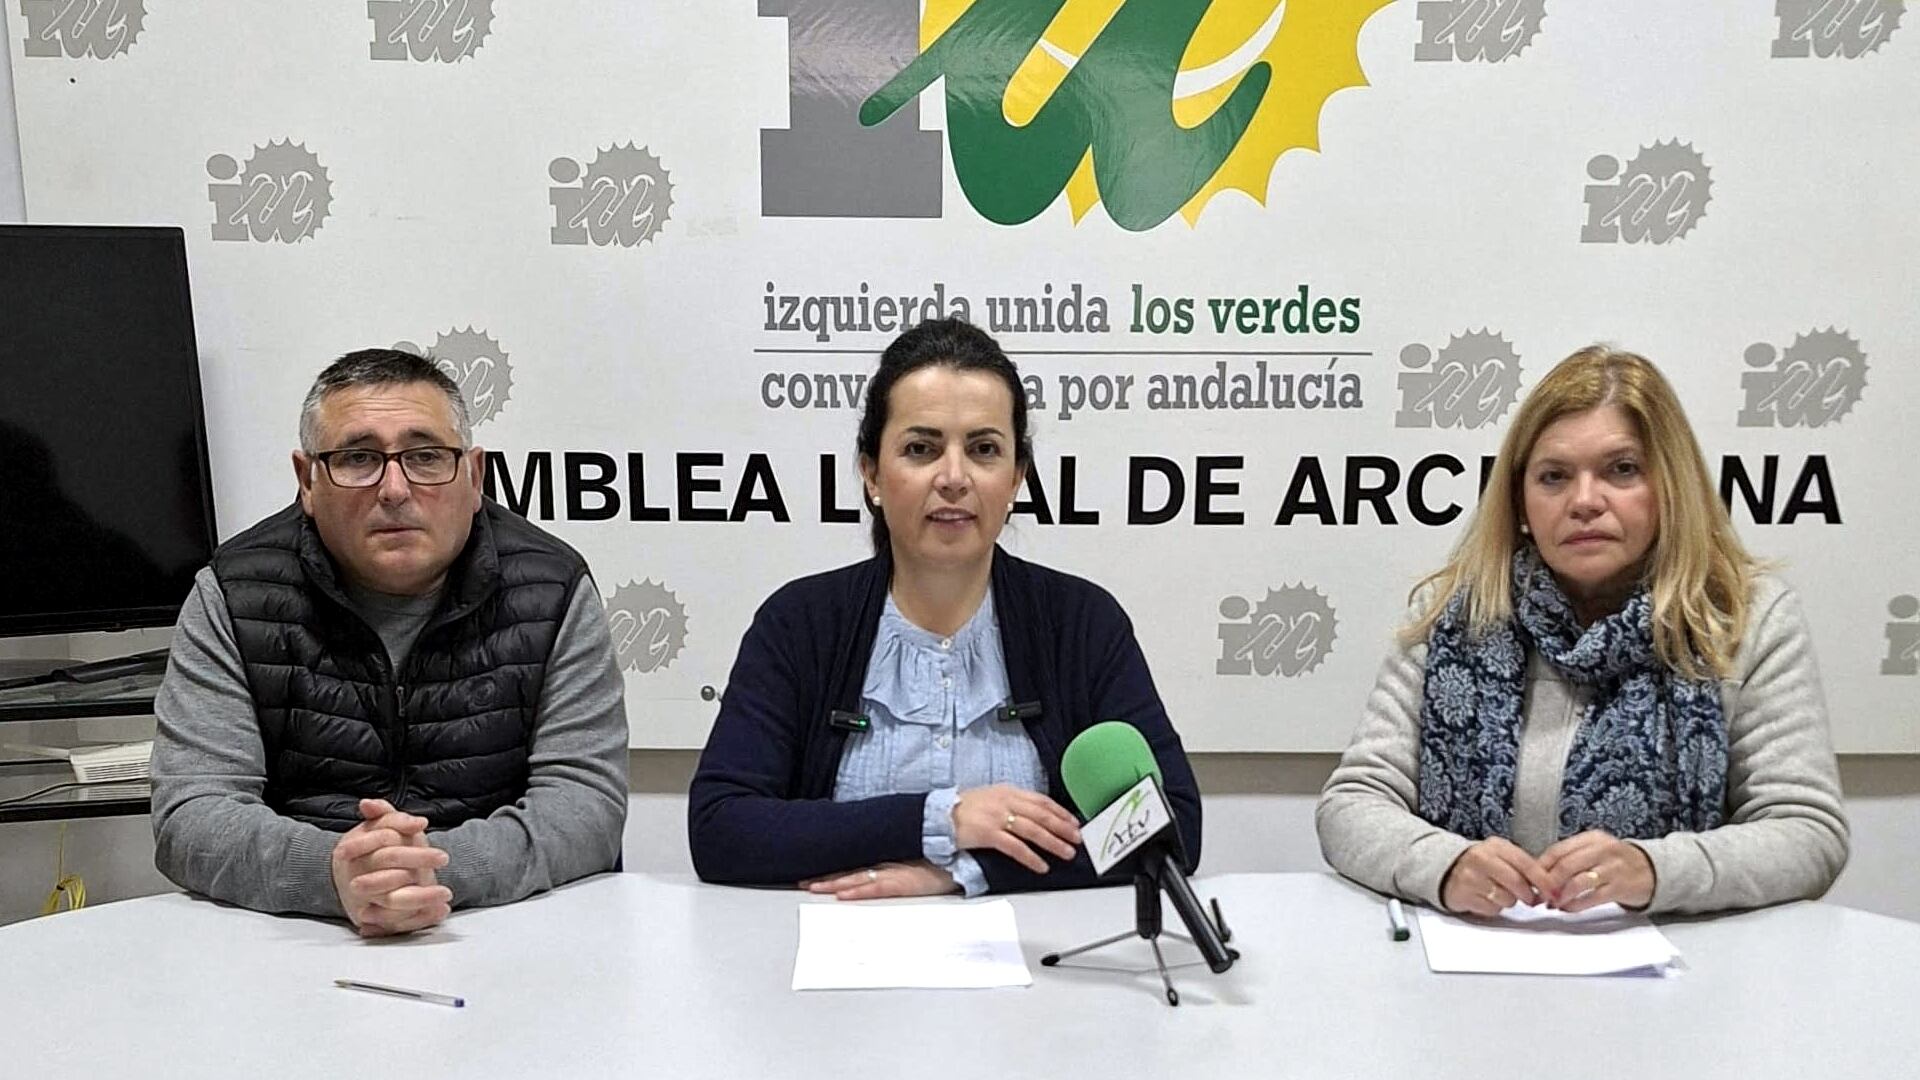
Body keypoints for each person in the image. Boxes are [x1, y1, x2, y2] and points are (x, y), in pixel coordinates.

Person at [1317, 345, 1848, 917]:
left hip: (1679, 973)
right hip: (1468, 959)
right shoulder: (1453, 612)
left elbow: (1808, 832)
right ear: (1521, 499)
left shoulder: (1744, 618)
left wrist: (1655, 869)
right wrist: (1442, 865)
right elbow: (1351, 803)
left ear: (1669, 486)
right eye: (1554, 477)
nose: (1585, 501)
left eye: (1622, 470)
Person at [688, 318, 1200, 898]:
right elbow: (721, 829)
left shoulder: (1082, 622)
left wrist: (960, 873)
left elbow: (1170, 823)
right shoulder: (800, 622)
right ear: (871, 473)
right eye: (921, 449)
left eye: (983, 450)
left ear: (1017, 478)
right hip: (833, 959)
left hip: (1039, 963)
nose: (953, 478)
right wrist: (942, 819)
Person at [150, 349, 628, 936]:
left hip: (505, 925)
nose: (395, 489)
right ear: (307, 480)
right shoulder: (235, 592)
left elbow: (586, 807)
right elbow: (192, 815)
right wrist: (333, 874)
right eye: (358, 459)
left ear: (474, 476)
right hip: (297, 934)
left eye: (426, 457)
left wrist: (428, 873)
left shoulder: (553, 587)